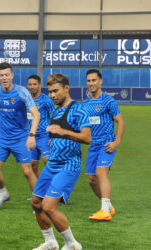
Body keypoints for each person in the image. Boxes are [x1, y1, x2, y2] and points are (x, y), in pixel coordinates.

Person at [31, 73, 91, 250]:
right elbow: (55, 134)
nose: (52, 95)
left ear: (67, 88)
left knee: (49, 207)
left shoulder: (78, 110)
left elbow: (87, 138)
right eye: (50, 92)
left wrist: (63, 132)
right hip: (52, 165)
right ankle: (50, 242)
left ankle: (72, 244)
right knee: (36, 202)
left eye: (55, 91)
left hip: (68, 165)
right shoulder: (56, 111)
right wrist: (52, 140)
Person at [0, 62, 40, 210]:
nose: (4, 78)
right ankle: (3, 194)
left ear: (12, 75)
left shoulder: (22, 92)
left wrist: (31, 135)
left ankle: (39, 203)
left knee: (27, 171)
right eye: (1, 75)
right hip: (2, 139)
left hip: (21, 138)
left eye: (7, 75)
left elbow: (36, 114)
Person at [83, 69, 125, 221]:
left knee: (101, 174)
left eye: (94, 80)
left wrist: (117, 141)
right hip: (93, 145)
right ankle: (108, 206)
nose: (91, 83)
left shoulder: (108, 101)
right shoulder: (86, 103)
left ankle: (104, 211)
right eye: (88, 81)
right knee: (91, 180)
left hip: (107, 144)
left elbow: (120, 121)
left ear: (100, 81)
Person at [27, 75, 55, 178]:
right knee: (32, 166)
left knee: (48, 163)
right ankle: (40, 192)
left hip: (45, 136)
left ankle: (54, 191)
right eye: (30, 84)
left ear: (40, 85)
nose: (32, 86)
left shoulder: (46, 100)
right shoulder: (26, 100)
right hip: (32, 137)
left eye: (35, 84)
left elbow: (54, 117)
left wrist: (53, 136)